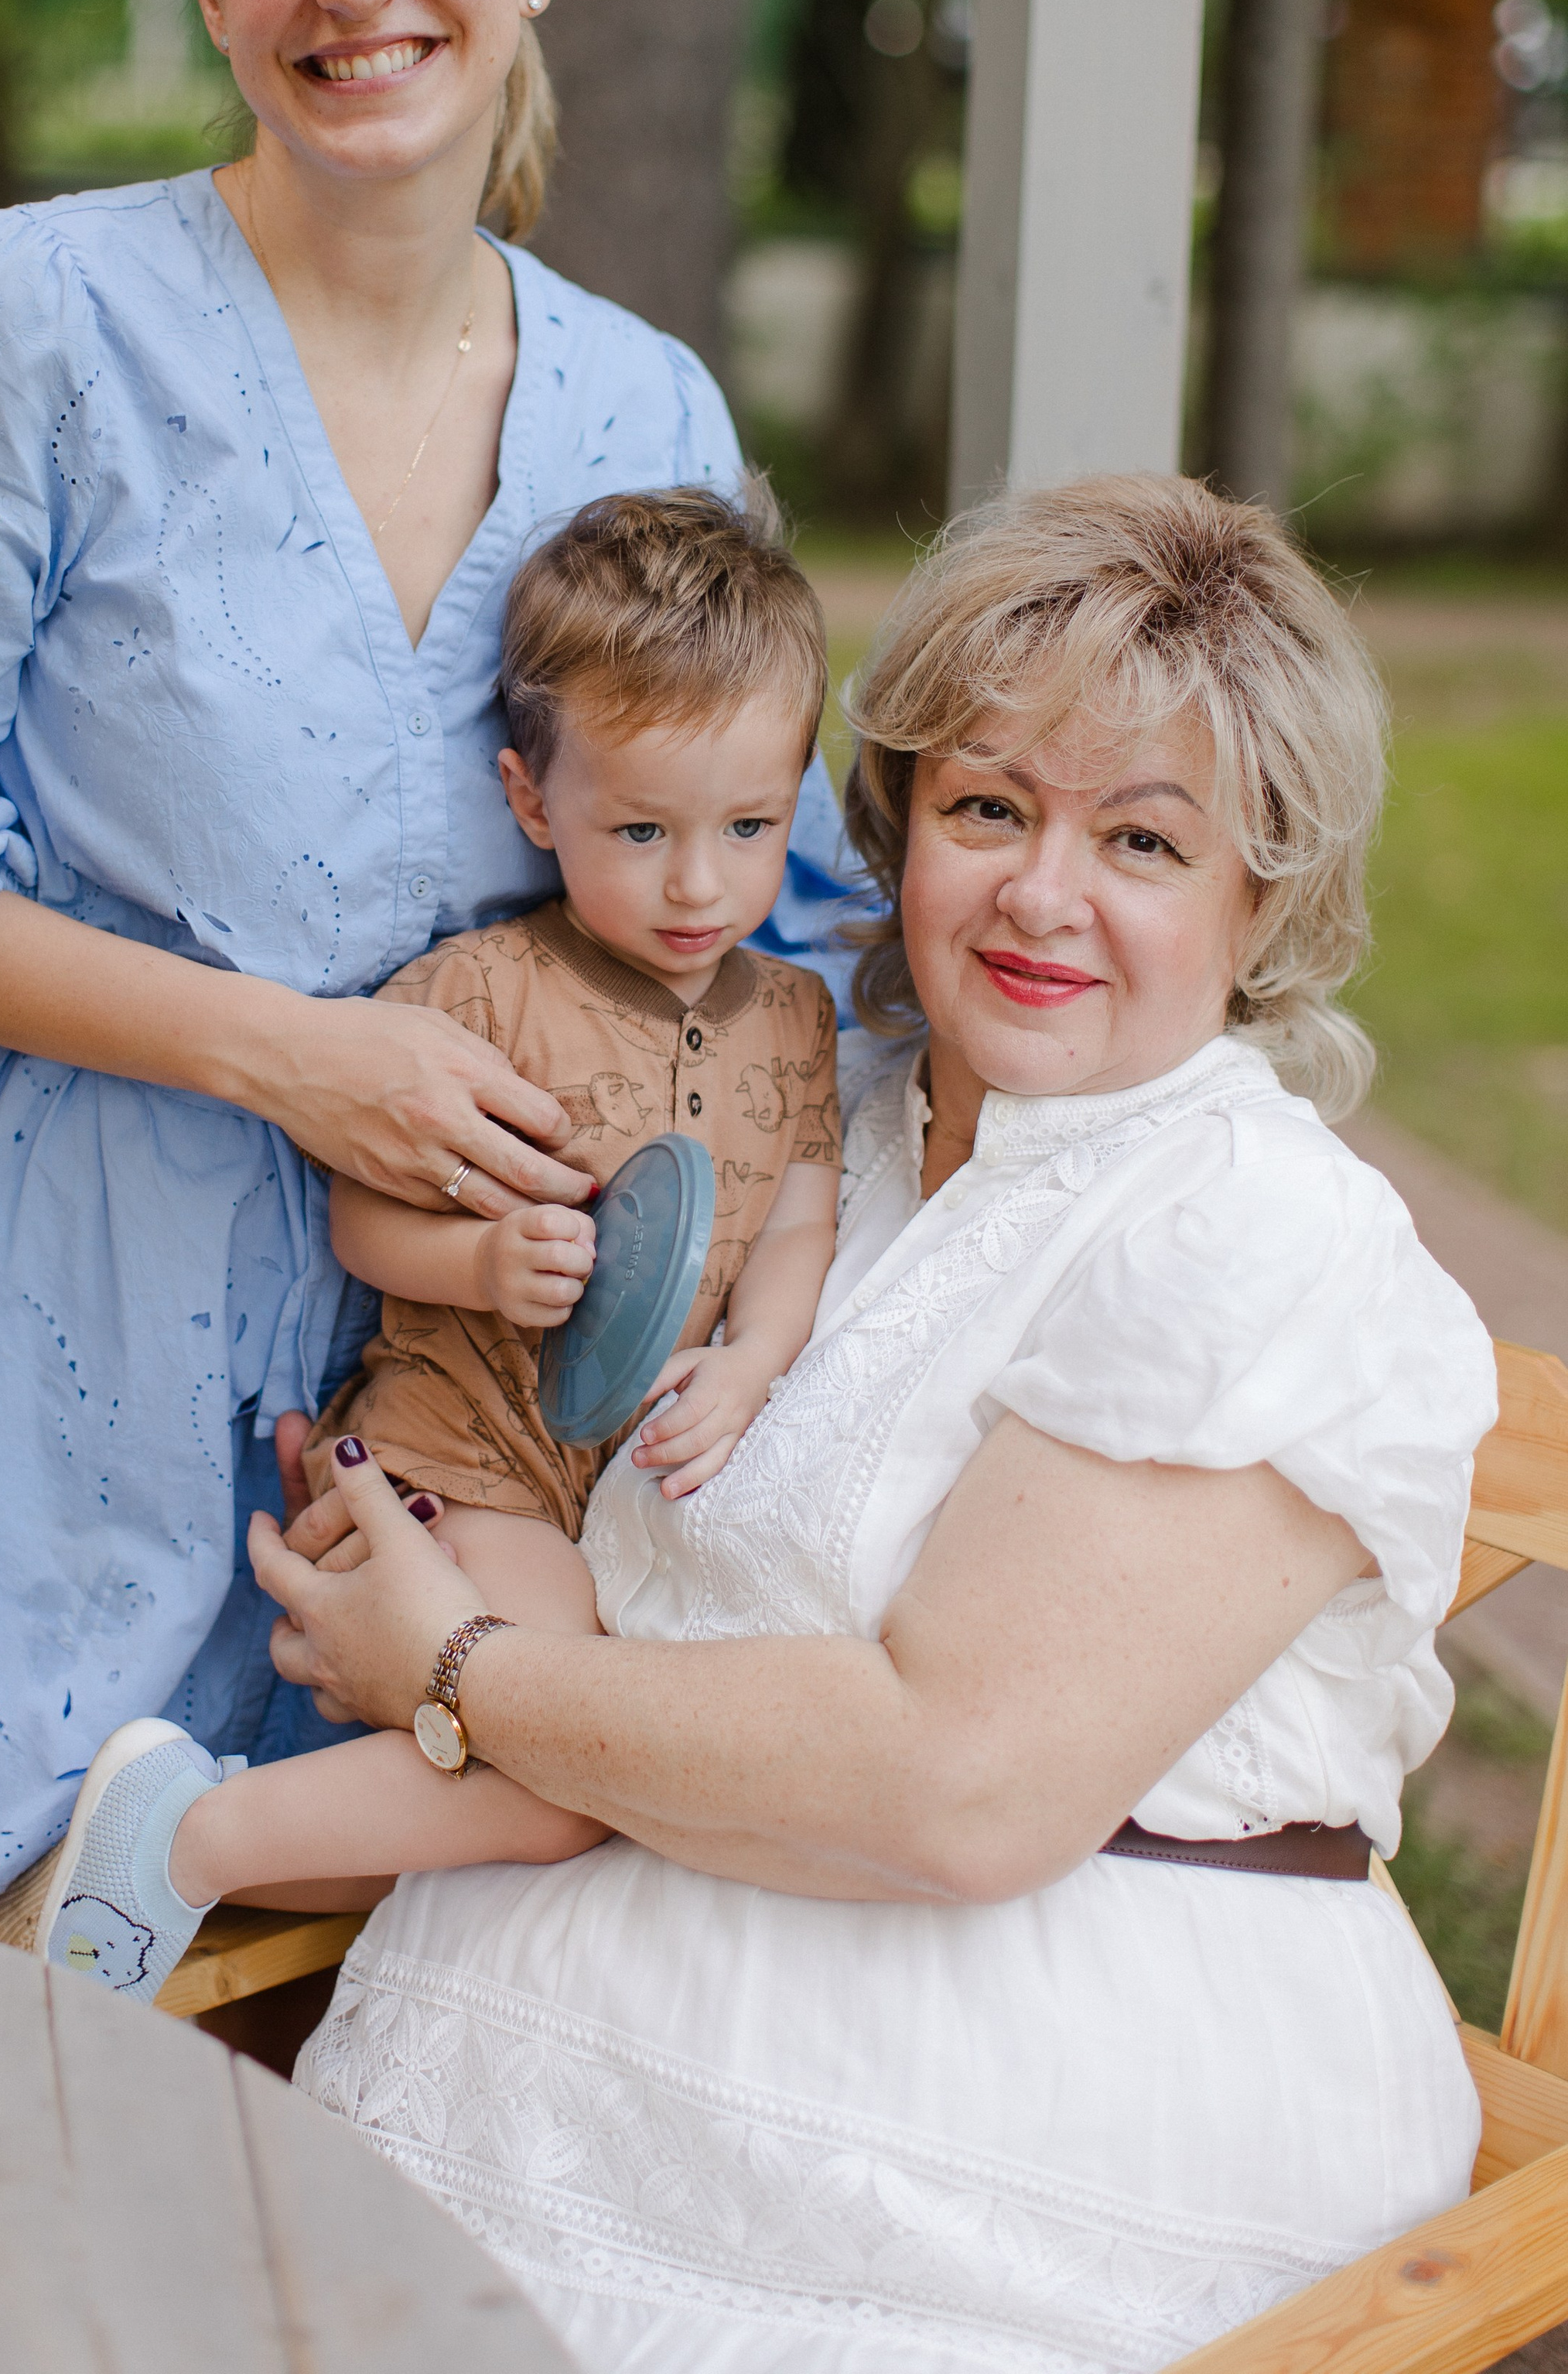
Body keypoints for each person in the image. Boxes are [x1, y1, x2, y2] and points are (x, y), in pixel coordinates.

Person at [0, 0, 849, 1926]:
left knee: (371, 2085)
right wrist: (297, 1060)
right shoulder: (27, 320)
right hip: (84, 1320)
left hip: (489, 1412)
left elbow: (779, 912)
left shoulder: (647, 410)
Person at [249, 474, 1495, 2374]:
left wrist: (459, 1667)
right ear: (899, 819)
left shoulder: (1242, 1229)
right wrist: (403, 1502)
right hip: (559, 2068)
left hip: (1017, 2136)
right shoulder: (826, 1118)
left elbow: (960, 1784)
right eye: (988, 807)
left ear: (1261, 896)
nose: (1039, 894)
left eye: (1142, 842)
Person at [5, 486, 843, 1999]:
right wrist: (475, 1266)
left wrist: (754, 1358)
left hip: (606, 1495)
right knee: (560, 1781)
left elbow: (796, 1210)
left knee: (546, 1796)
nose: (695, 884)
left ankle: (165, 1851)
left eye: (748, 828)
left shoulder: (791, 1015)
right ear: (531, 800)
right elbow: (362, 1212)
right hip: (465, 1459)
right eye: (637, 829)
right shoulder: (478, 992)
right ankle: (183, 1847)